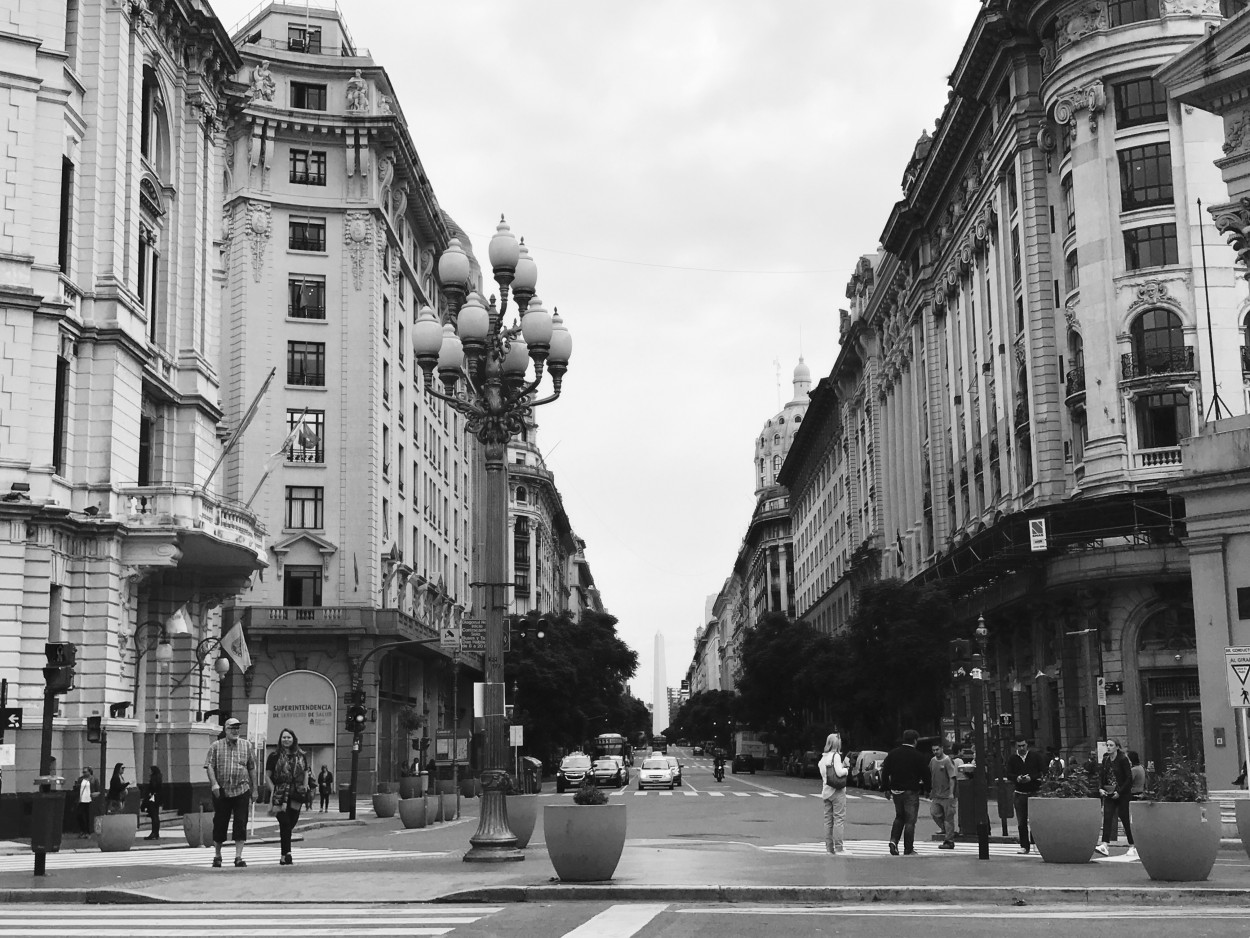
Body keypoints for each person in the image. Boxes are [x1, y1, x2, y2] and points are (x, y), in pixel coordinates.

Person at [204, 716, 259, 869]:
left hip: (242, 789)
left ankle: (238, 856)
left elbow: (252, 767)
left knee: (241, 823)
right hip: (222, 791)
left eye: (237, 728)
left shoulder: (246, 745)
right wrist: (214, 784)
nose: (235, 731)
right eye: (232, 728)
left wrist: (254, 789)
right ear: (225, 730)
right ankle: (217, 855)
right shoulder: (216, 746)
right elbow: (209, 766)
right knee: (220, 822)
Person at [879, 729, 929, 856]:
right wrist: (928, 789)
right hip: (911, 790)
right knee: (910, 821)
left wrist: (886, 788)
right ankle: (908, 848)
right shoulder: (918, 756)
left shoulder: (893, 754)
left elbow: (885, 771)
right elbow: (925, 774)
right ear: (915, 741)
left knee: (899, 816)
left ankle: (893, 841)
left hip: (896, 790)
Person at [266, 727, 309, 866]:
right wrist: (273, 789)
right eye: (284, 737)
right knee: (284, 822)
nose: (286, 740)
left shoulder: (301, 755)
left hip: (296, 792)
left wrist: (305, 786)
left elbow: (306, 771)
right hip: (280, 793)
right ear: (280, 739)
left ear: (293, 739)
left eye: (289, 737)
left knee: (290, 824)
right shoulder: (274, 756)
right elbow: (267, 776)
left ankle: (283, 856)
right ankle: (287, 853)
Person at [1094, 738, 1135, 858]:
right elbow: (1102, 776)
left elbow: (1128, 778)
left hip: (1122, 794)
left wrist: (1120, 792)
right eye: (1107, 745)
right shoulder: (1106, 759)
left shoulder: (1123, 759)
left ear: (1117, 747)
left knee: (1124, 818)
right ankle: (1105, 844)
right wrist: (1101, 788)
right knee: (1107, 817)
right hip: (1109, 793)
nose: (1108, 747)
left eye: (1111, 745)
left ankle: (1132, 845)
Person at [1006, 736, 1046, 854]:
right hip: (1020, 793)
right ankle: (1024, 846)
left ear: (1027, 745)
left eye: (1023, 745)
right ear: (1016, 747)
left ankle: (1036, 844)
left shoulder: (1035, 756)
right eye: (1019, 746)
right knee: (1021, 822)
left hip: (1034, 792)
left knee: (1035, 821)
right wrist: (1017, 778)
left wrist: (1031, 777)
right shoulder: (1012, 759)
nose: (1022, 748)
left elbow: (1043, 771)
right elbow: (1008, 773)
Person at [818, 732, 850, 856]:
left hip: (826, 791)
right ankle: (839, 848)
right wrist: (846, 769)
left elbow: (823, 772)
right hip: (837, 791)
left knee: (828, 821)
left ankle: (829, 848)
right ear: (837, 744)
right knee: (839, 820)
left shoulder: (823, 757)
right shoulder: (835, 756)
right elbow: (839, 772)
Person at [929, 742, 958, 849]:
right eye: (933, 750)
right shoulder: (932, 761)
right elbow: (931, 775)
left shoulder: (947, 760)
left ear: (942, 748)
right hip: (937, 794)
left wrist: (951, 792)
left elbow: (952, 777)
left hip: (947, 795)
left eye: (937, 749)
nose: (935, 752)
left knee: (949, 817)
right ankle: (947, 830)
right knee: (934, 813)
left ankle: (949, 841)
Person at [143, 765, 163, 840]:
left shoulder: (153, 778)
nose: (149, 772)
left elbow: (153, 788)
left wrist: (150, 793)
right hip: (157, 798)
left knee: (154, 816)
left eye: (150, 770)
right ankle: (156, 833)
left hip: (153, 798)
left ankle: (154, 833)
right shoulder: (159, 777)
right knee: (156, 816)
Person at [74, 768, 94, 837]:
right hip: (81, 799)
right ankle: (83, 830)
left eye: (85, 772)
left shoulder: (93, 779)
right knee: (79, 815)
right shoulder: (80, 779)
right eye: (83, 772)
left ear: (89, 772)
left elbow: (96, 788)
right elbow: (76, 788)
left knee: (87, 816)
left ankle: (87, 832)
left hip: (89, 799)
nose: (84, 773)